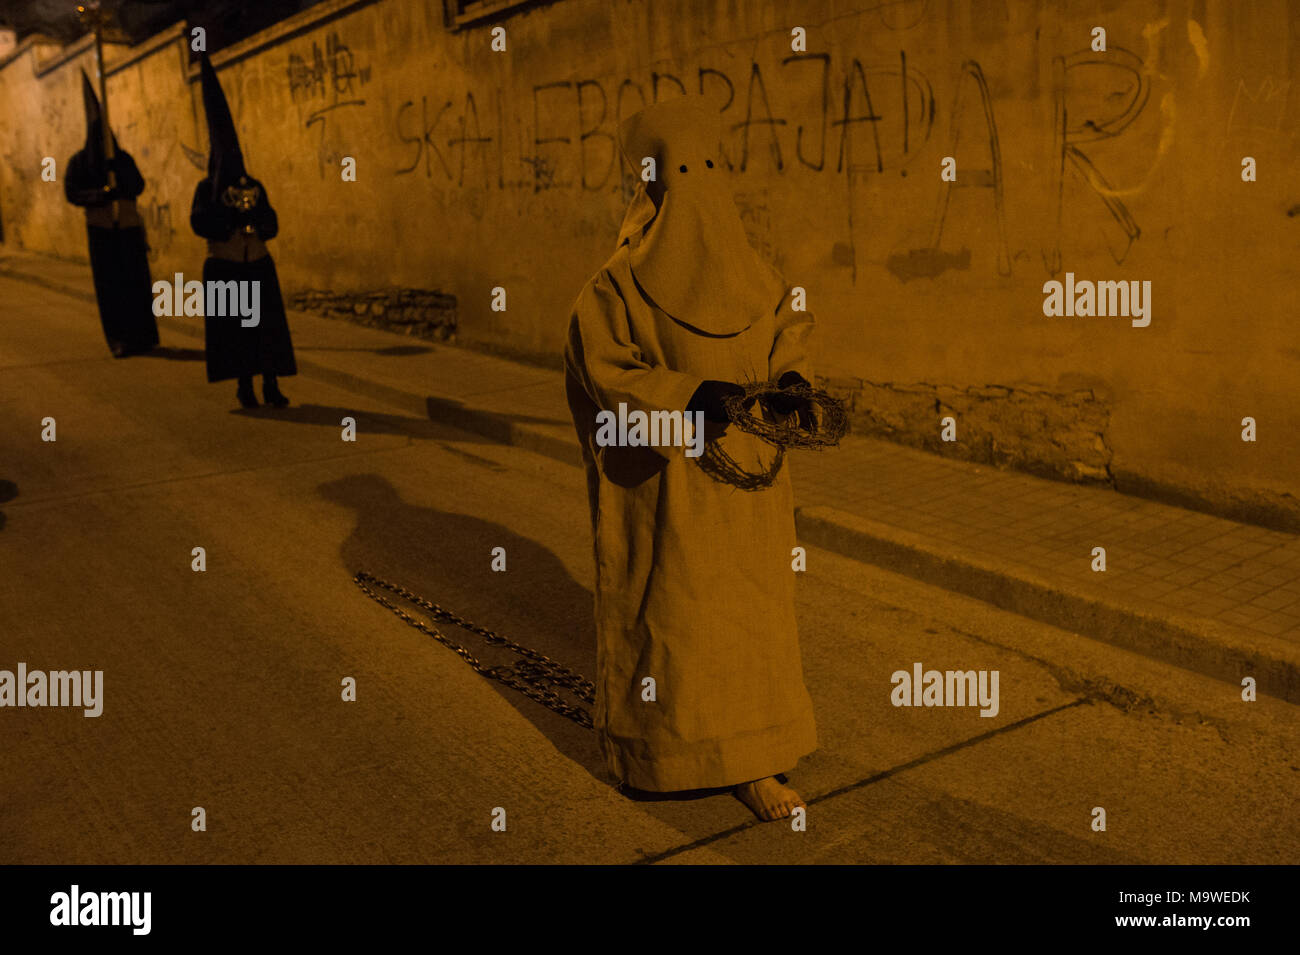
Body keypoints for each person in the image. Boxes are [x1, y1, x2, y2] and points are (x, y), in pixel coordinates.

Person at [563, 96, 820, 822]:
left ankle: (757, 757)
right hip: (670, 492)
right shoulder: (612, 287)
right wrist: (686, 397)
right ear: (650, 186)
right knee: (677, 618)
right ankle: (664, 753)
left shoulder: (754, 272)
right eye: (683, 173)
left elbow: (788, 324)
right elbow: (606, 373)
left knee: (754, 617)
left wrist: (792, 378)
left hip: (751, 490)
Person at [190, 53, 296, 409]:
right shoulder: (206, 190)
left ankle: (271, 383)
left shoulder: (255, 185)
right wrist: (230, 220)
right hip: (226, 266)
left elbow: (272, 220)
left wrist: (259, 224)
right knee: (236, 333)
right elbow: (199, 222)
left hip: (258, 263)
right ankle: (244, 385)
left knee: (265, 330)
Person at [64, 71, 159, 358]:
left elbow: (139, 185)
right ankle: (118, 338)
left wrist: (120, 177)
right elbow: (72, 193)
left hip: (127, 228)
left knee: (136, 283)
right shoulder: (79, 162)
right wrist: (101, 194)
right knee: (111, 288)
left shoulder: (123, 158)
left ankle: (142, 336)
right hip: (101, 230)